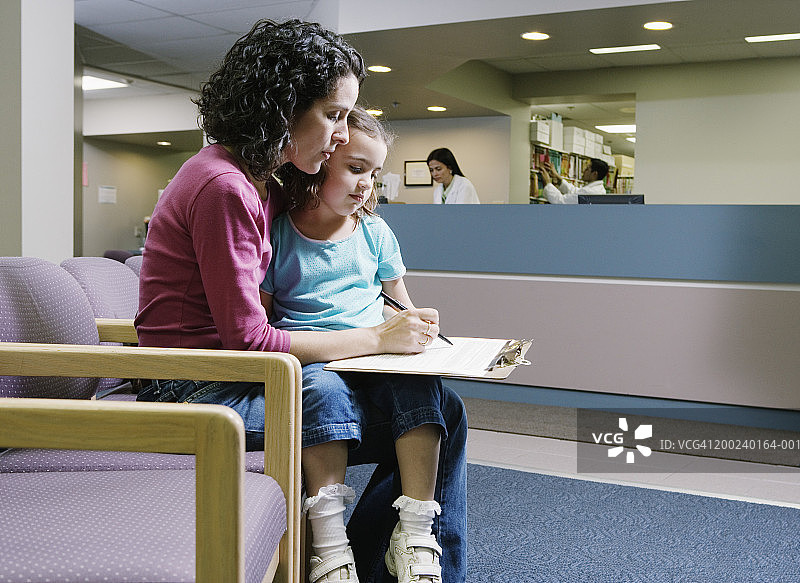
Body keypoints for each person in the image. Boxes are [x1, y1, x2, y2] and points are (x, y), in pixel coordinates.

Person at [132, 19, 466, 583]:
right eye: (333, 115)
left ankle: (363, 557)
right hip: (197, 391)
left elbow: (330, 208)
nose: (340, 134)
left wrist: (388, 311)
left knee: (424, 404)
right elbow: (249, 338)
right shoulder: (225, 187)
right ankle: (369, 559)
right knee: (438, 415)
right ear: (282, 106)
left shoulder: (254, 176)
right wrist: (377, 339)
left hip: (232, 376)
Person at [266, 106, 457, 583]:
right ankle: (329, 544)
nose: (366, 184)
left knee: (422, 390)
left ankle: (414, 533)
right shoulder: (280, 233)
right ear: (316, 165)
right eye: (355, 169)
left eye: (374, 173)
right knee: (322, 396)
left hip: (376, 358)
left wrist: (419, 325)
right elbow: (264, 318)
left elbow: (400, 304)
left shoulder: (375, 232)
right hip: (316, 358)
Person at [540, 157, 608, 204]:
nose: (583, 171)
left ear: (594, 174)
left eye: (587, 169)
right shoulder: (599, 189)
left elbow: (561, 201)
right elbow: (575, 192)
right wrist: (559, 179)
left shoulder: (590, 192)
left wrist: (547, 183)